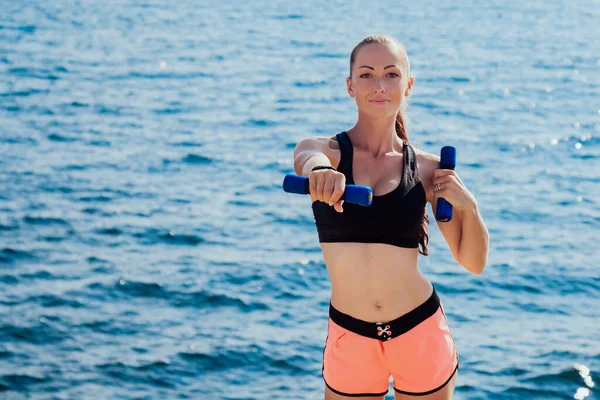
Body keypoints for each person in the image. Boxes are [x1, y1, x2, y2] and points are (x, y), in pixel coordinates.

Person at [292, 35, 490, 400]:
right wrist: (321, 173)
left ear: (408, 85)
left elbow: (473, 261)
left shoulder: (429, 169)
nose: (379, 85)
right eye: (366, 75)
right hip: (350, 335)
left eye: (391, 74)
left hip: (419, 330)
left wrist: (468, 205)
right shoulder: (326, 151)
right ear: (350, 86)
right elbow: (306, 158)